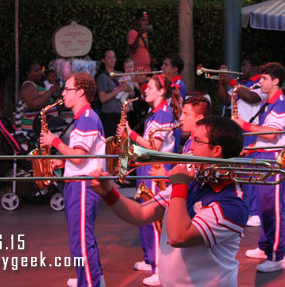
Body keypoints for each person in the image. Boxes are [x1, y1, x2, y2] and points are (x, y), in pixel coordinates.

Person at [90, 116, 249, 287]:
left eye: (197, 141)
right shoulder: (194, 182)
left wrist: (179, 184)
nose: (190, 148)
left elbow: (178, 237)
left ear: (216, 150)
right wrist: (108, 193)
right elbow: (141, 214)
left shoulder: (231, 204)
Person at [39, 72, 106, 287]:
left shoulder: (87, 119)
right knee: (81, 238)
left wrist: (54, 141)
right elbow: (79, 155)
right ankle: (90, 278)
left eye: (67, 89)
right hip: (78, 184)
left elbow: (78, 157)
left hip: (83, 185)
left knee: (81, 241)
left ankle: (89, 283)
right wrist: (61, 162)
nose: (63, 94)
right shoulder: (83, 118)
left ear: (80, 92)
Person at [117, 73, 182, 286]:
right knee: (145, 218)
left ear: (162, 91)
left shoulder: (163, 113)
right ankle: (150, 259)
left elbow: (154, 146)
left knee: (154, 220)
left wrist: (130, 134)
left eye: (151, 87)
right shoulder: (154, 113)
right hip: (148, 170)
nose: (145, 90)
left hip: (157, 171)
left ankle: (158, 267)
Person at [232, 62, 285, 272]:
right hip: (265, 158)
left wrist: (244, 125)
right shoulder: (270, 102)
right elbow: (266, 137)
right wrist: (250, 149)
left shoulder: (282, 104)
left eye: (264, 78)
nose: (260, 81)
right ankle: (266, 246)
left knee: (274, 210)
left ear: (276, 81)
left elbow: (271, 134)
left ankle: (277, 256)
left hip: (274, 162)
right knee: (265, 207)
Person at [218, 55, 265, 226]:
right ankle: (245, 208)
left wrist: (231, 82)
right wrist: (221, 83)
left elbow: (252, 97)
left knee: (249, 170)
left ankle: (254, 212)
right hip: (238, 130)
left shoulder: (259, 83)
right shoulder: (242, 84)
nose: (243, 68)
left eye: (246, 65)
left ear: (256, 68)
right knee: (239, 171)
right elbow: (224, 99)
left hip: (251, 130)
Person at [95, 50, 130, 138]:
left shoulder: (121, 74)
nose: (112, 60)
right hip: (109, 115)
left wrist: (128, 89)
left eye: (113, 57)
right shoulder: (102, 77)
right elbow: (102, 98)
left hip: (122, 113)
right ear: (103, 60)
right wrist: (119, 89)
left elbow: (130, 93)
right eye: (109, 57)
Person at [19, 61, 60, 135]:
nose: (39, 73)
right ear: (28, 73)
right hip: (33, 130)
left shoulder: (39, 85)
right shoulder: (28, 86)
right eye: (36, 71)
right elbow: (34, 104)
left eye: (40, 70)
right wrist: (50, 92)